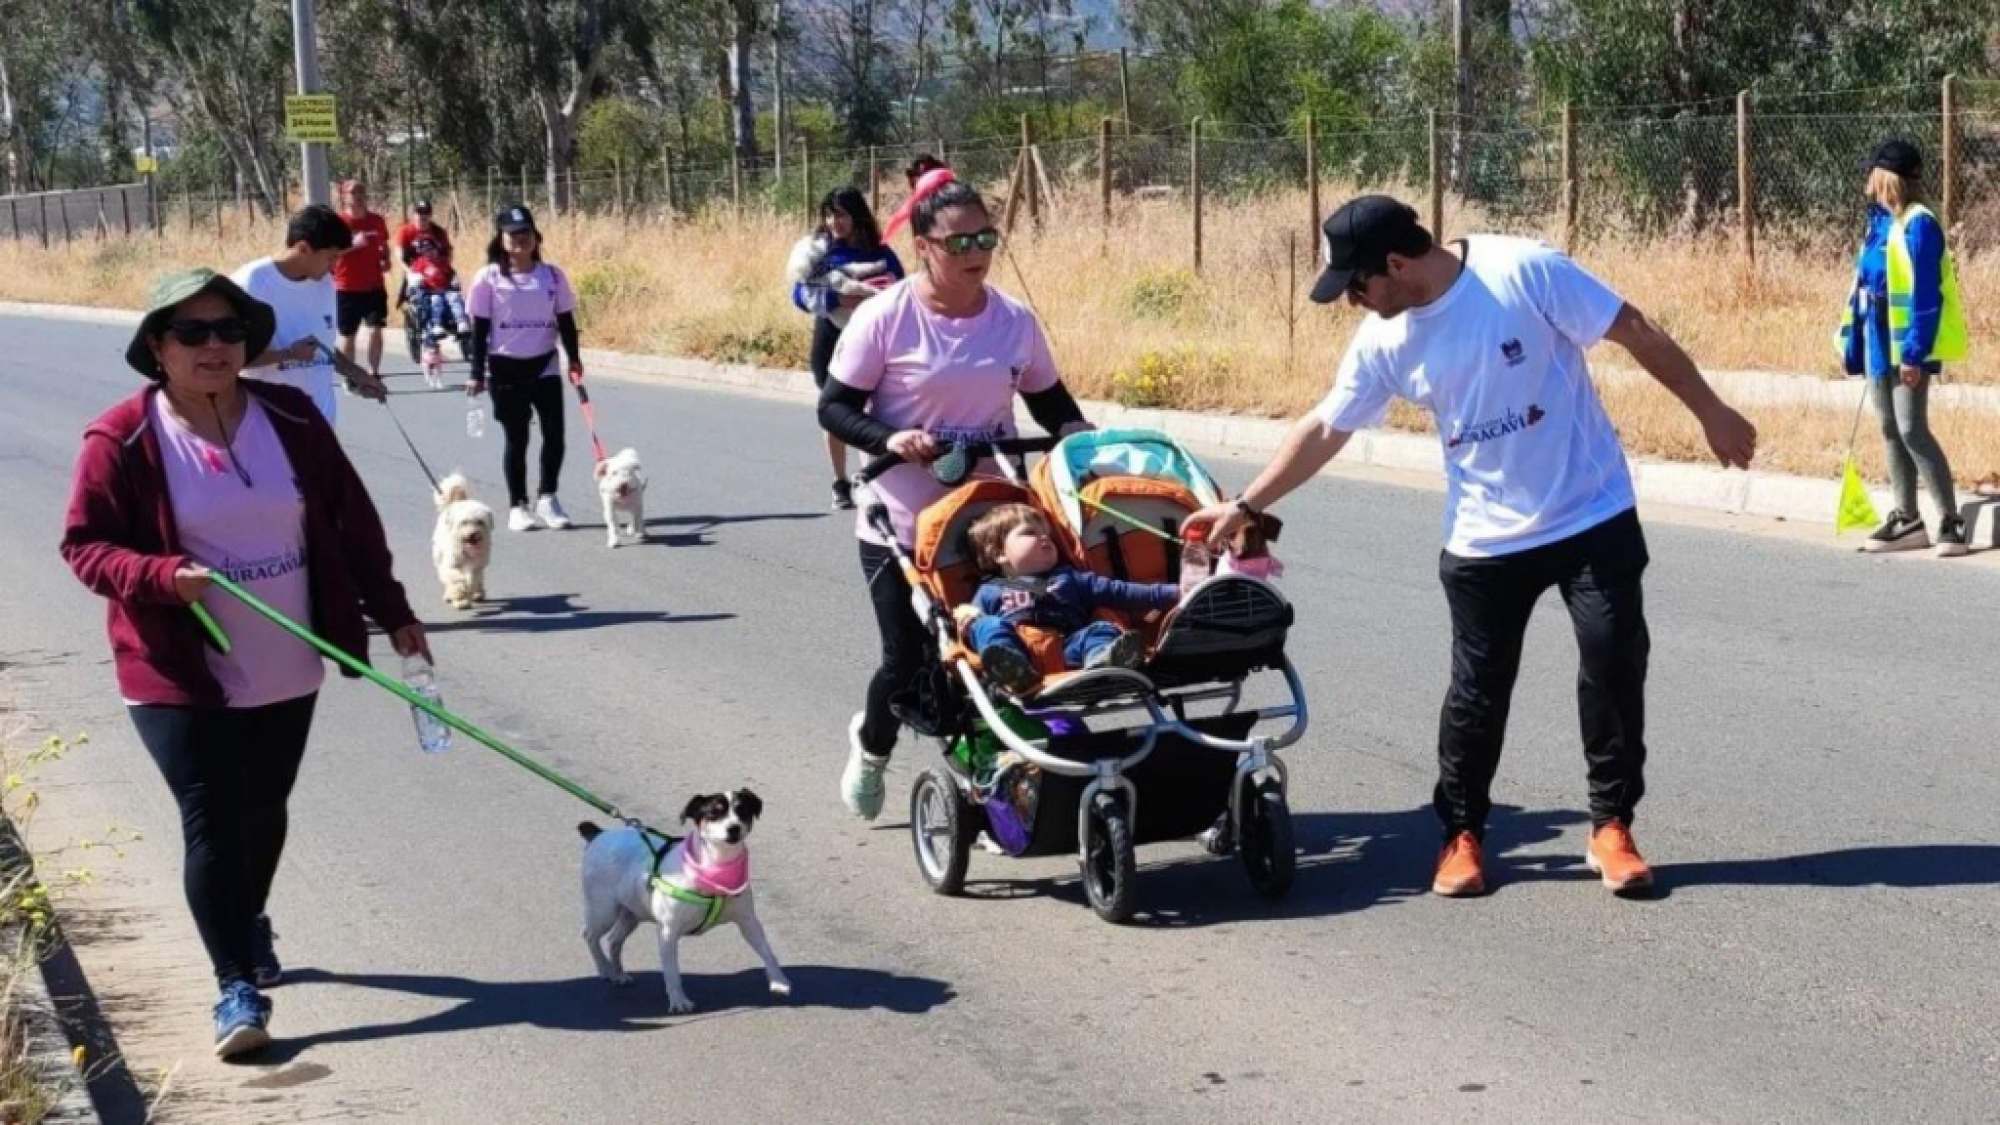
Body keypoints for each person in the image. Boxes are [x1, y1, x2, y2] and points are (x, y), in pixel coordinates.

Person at [1182, 195, 1759, 898]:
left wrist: (1712, 410)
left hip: (1590, 510)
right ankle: (1461, 834)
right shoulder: (1385, 340)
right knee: (1477, 694)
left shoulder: (1525, 271)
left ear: (1395, 263)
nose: (1351, 302)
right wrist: (1247, 503)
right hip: (1485, 537)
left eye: (1356, 286)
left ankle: (1612, 824)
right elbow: (1329, 426)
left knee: (1614, 658)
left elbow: (1632, 329)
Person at [59, 268, 428, 1058]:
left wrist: (393, 611)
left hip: (287, 656)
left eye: (228, 330)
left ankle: (246, 915)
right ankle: (235, 985)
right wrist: (160, 576)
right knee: (214, 821)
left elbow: (351, 522)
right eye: (191, 333)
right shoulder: (119, 438)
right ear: (157, 347)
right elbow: (85, 547)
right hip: (175, 669)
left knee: (264, 809)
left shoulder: (291, 416)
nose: (214, 346)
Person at [818, 180, 1092, 821]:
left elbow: (1051, 402)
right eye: (959, 241)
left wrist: (1079, 436)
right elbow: (833, 408)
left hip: (989, 521)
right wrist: (891, 437)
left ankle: (997, 765)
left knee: (1006, 640)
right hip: (902, 519)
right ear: (923, 247)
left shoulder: (1014, 321)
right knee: (909, 658)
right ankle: (873, 744)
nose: (976, 252)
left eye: (985, 238)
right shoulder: (884, 318)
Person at [1838, 139, 1969, 557]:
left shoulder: (1920, 224)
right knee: (1890, 429)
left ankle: (1950, 521)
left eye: (1871, 173)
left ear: (1886, 178)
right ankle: (1907, 518)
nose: (1866, 181)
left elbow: (1925, 298)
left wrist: (1914, 354)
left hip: (1908, 345)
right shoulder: (1878, 222)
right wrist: (1852, 343)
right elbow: (1864, 284)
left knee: (1913, 428)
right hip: (1878, 342)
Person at [954, 503, 1177, 693]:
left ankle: (1103, 662)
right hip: (1021, 651)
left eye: (1048, 534)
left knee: (1100, 629)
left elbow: (1122, 592)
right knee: (986, 624)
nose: (1044, 537)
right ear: (998, 554)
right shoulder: (989, 591)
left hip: (1067, 650)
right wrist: (967, 619)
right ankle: (1011, 669)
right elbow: (971, 629)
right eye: (1029, 533)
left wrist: (1176, 592)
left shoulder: (1071, 578)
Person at [466, 203, 583, 532]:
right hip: (504, 368)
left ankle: (548, 497)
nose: (520, 240)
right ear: (501, 239)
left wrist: (574, 359)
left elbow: (565, 321)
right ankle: (518, 505)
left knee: (555, 435)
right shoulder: (488, 278)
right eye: (513, 234)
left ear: (536, 237)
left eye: (526, 233)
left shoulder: (552, 276)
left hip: (543, 365)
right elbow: (479, 331)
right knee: (516, 439)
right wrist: (476, 373)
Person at [786, 187, 905, 509]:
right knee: (835, 409)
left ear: (857, 216)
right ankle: (840, 481)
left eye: (840, 214)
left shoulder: (880, 251)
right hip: (831, 338)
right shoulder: (819, 252)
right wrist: (839, 299)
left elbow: (902, 287)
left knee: (872, 413)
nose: (834, 222)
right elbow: (798, 295)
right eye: (828, 215)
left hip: (875, 340)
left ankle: (871, 478)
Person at [231, 204, 386, 423]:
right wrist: (286, 355)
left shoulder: (325, 284)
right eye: (331, 257)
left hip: (321, 427)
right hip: (270, 426)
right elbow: (228, 359)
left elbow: (323, 347)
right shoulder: (251, 283)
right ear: (303, 249)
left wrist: (357, 375)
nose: (335, 265)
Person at [333, 180, 393, 384]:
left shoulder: (376, 221)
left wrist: (386, 259)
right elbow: (330, 253)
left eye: (361, 191)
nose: (357, 196)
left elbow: (384, 245)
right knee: (348, 335)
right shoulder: (338, 223)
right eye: (352, 192)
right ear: (343, 196)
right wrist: (352, 245)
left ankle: (373, 371)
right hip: (347, 286)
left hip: (374, 285)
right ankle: (349, 375)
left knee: (376, 329)